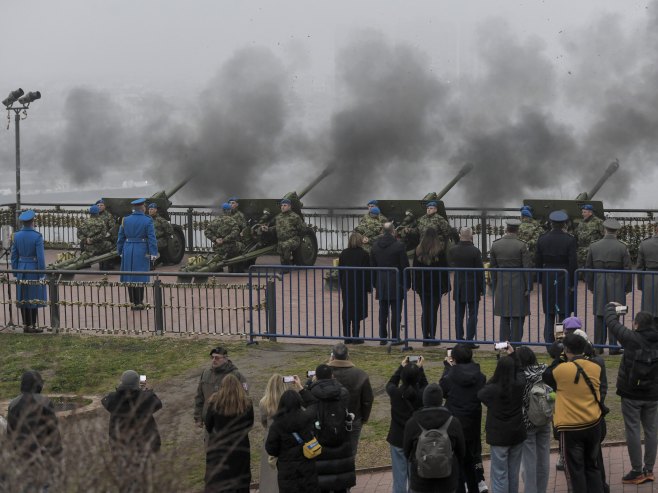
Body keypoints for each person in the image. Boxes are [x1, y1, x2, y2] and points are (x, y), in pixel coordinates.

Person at [542, 333, 604, 491]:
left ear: (566, 349)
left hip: (571, 428)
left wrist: (561, 357)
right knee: (593, 467)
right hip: (593, 423)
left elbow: (547, 375)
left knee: (575, 472)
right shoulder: (596, 367)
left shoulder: (561, 370)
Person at [605, 303, 658, 484]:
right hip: (653, 393)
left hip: (631, 393)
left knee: (633, 430)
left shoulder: (630, 338)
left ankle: (637, 470)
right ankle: (649, 469)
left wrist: (611, 307)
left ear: (636, 324)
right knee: (651, 430)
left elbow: (612, 323)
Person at [101, 370, 162, 492]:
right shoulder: (144, 399)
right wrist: (144, 391)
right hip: (143, 448)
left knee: (125, 481)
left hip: (121, 449)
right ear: (136, 383)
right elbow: (157, 403)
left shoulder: (114, 400)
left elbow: (105, 400)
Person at [439, 343, 488, 493]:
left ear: (453, 358)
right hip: (473, 425)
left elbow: (443, 391)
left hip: (454, 427)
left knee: (456, 465)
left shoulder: (450, 376)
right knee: (471, 462)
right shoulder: (480, 376)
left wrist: (448, 368)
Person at [299, 364, 356, 493]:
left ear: (316, 377)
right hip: (342, 443)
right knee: (341, 486)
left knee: (322, 485)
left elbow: (305, 402)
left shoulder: (312, 395)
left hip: (321, 444)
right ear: (332, 376)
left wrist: (309, 383)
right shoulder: (343, 393)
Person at [403, 384, 466, 493]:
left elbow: (406, 452)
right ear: (441, 400)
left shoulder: (412, 423)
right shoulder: (453, 422)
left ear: (424, 399)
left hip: (420, 481)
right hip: (447, 480)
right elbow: (461, 452)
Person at [478, 354, 526, 493]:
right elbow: (522, 372)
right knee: (513, 473)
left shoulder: (492, 390)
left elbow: (481, 393)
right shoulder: (519, 385)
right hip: (516, 433)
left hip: (499, 436)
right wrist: (514, 355)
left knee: (499, 474)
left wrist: (495, 378)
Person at [7, 370, 62, 490]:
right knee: (44, 485)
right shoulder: (44, 402)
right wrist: (57, 451)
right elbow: (53, 430)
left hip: (22, 456)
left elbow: (10, 435)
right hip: (43, 454)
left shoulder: (13, 404)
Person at [586, 218, 631, 354]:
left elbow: (588, 268)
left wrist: (591, 286)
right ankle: (613, 346)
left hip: (599, 283)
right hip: (617, 284)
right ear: (616, 231)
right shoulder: (622, 247)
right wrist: (627, 288)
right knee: (615, 314)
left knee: (599, 315)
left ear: (604, 229)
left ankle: (598, 346)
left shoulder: (594, 246)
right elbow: (628, 269)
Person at [204, 374, 254, 493]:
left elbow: (208, 425)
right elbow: (249, 424)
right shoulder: (246, 404)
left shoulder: (214, 403)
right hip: (240, 447)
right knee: (240, 481)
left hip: (220, 447)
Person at [386, 356, 428, 493]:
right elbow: (425, 386)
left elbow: (390, 384)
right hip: (416, 439)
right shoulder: (422, 395)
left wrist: (400, 368)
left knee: (399, 477)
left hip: (397, 439)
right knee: (414, 476)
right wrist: (421, 370)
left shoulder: (395, 393)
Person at [265, 389, 320, 493]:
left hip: (287, 470)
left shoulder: (277, 425)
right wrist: (301, 388)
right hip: (307, 467)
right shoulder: (307, 417)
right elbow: (314, 403)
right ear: (299, 402)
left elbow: (271, 449)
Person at [534, 210, 577, 343]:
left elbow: (538, 262)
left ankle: (548, 340)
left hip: (548, 275)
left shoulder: (542, 239)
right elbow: (573, 263)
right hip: (563, 275)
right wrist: (571, 283)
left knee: (549, 311)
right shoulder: (570, 240)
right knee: (562, 310)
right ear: (564, 223)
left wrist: (541, 279)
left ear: (551, 223)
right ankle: (559, 339)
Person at [489, 219, 532, 343]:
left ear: (506, 229)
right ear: (517, 230)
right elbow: (526, 267)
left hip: (502, 282)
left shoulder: (495, 244)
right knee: (518, 317)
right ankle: (516, 345)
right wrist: (528, 286)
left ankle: (503, 346)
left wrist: (495, 284)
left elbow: (493, 267)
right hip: (518, 283)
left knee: (504, 317)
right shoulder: (522, 245)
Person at [515, 346, 551, 493]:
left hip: (528, 423)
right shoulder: (545, 371)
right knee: (544, 460)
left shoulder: (520, 376)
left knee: (529, 462)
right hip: (545, 417)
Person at [328, 343, 374, 456]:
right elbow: (367, 400)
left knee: (330, 452)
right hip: (354, 418)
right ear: (348, 356)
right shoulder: (360, 374)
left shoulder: (325, 373)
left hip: (329, 419)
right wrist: (364, 418)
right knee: (351, 453)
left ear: (333, 356)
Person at [371, 222, 409, 345]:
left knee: (383, 311)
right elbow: (404, 266)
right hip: (396, 281)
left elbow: (373, 266)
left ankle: (382, 337)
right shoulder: (399, 246)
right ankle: (395, 337)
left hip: (381, 281)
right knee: (396, 312)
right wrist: (407, 283)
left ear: (382, 231)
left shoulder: (375, 246)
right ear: (393, 231)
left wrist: (374, 282)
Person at [117, 198, 158, 309]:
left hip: (128, 249)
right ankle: (139, 302)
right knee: (140, 276)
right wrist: (154, 252)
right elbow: (151, 238)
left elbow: (121, 237)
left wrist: (119, 250)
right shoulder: (147, 220)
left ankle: (132, 302)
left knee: (129, 276)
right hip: (141, 249)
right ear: (143, 208)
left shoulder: (125, 220)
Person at [412, 227, 451, 345]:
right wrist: (447, 285)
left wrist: (415, 284)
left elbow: (414, 268)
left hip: (422, 285)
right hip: (436, 284)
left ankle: (425, 337)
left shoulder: (418, 250)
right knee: (433, 311)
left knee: (425, 310)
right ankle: (432, 336)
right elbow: (444, 269)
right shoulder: (439, 250)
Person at [10, 210, 47, 333]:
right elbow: (41, 257)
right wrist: (42, 273)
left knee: (23, 296)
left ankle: (25, 324)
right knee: (33, 297)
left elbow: (13, 256)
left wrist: (15, 271)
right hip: (33, 268)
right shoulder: (37, 236)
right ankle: (32, 325)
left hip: (21, 268)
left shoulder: (16, 236)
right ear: (33, 221)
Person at [448, 226, 485, 347]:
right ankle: (469, 340)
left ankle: (459, 338)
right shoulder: (475, 251)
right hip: (472, 285)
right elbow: (480, 271)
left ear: (460, 235)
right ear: (471, 236)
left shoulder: (453, 250)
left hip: (459, 284)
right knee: (473, 314)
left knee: (459, 314)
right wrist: (482, 288)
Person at [194, 346, 248, 428]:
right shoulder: (206, 374)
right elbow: (199, 397)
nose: (214, 360)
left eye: (217, 358)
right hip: (210, 423)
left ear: (225, 359)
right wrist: (198, 417)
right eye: (212, 357)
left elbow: (245, 398)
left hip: (229, 424)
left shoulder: (236, 375)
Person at [258, 374, 293, 493]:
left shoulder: (264, 402)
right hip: (287, 437)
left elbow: (263, 421)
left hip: (270, 437)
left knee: (269, 471)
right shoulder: (290, 401)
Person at [338, 232, 372, 343]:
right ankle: (356, 336)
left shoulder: (344, 253)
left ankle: (346, 337)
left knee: (347, 309)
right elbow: (367, 273)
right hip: (359, 284)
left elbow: (340, 270)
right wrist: (368, 287)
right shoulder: (364, 254)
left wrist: (341, 284)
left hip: (347, 284)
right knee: (357, 310)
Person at [262, 198, 306, 265]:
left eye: (285, 205)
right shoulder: (279, 217)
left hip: (293, 239)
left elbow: (302, 229)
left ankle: (286, 268)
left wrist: (297, 235)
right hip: (281, 241)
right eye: (282, 205)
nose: (282, 207)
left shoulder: (295, 217)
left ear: (289, 206)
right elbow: (276, 228)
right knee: (282, 254)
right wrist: (267, 229)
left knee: (285, 246)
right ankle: (285, 267)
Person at [636, 222, 658, 324]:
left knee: (649, 313)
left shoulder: (645, 244)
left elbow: (640, 267)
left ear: (655, 229)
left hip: (650, 280)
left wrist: (641, 286)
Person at [575, 204, 604, 268]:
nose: (582, 214)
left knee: (591, 272)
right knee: (580, 274)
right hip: (581, 254)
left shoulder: (599, 222)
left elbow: (604, 237)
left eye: (584, 212)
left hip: (593, 253)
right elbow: (577, 235)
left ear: (590, 213)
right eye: (582, 212)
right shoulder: (581, 223)